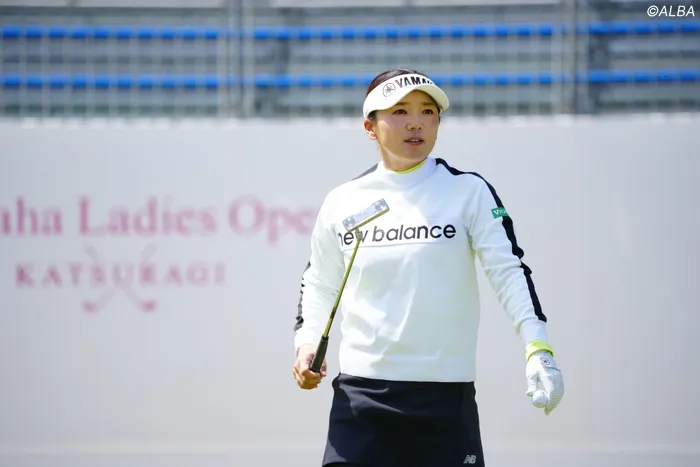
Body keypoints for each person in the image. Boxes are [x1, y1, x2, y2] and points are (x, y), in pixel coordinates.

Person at [292, 68, 565, 467]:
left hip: (446, 401)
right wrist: (306, 345)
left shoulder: (470, 191)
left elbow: (509, 270)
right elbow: (318, 282)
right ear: (370, 127)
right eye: (400, 111)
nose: (416, 122)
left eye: (428, 111)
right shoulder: (342, 201)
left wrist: (537, 346)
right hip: (360, 401)